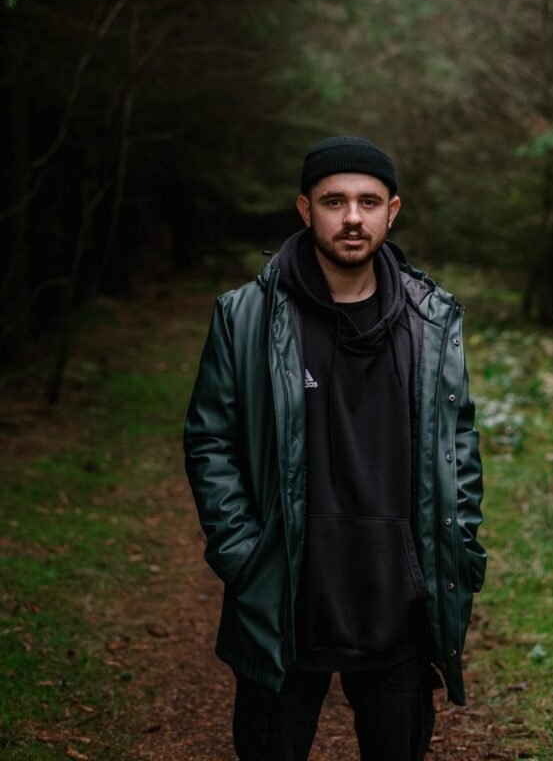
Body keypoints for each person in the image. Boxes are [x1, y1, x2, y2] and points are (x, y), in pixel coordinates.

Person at [184, 135, 486, 761]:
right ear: (305, 210)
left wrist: (461, 551)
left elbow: (458, 440)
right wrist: (243, 554)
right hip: (285, 599)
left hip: (400, 606)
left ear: (391, 212)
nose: (352, 217)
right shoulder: (246, 316)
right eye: (334, 201)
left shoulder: (431, 321)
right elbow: (211, 439)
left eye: (368, 202)